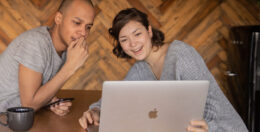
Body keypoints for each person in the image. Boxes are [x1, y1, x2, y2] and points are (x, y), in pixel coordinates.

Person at [79, 8, 248, 132]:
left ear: (149, 31)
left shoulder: (181, 55)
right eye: (124, 39)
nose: (133, 44)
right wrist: (95, 111)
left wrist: (208, 128)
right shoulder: (140, 69)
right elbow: (116, 99)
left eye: (137, 34)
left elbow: (212, 105)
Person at [0, 0, 96, 132]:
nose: (83, 33)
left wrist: (49, 102)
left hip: (2, 122)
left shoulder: (67, 51)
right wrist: (69, 68)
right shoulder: (35, 42)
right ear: (58, 18)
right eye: (77, 23)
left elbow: (32, 93)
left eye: (88, 27)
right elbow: (29, 104)